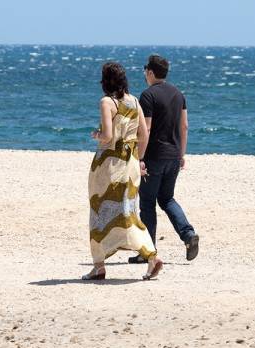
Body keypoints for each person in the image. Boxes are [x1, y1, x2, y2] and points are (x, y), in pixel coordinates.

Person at [84, 62, 163, 280]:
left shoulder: (107, 102)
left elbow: (108, 136)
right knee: (129, 212)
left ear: (105, 80)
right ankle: (150, 256)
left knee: (99, 211)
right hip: (130, 164)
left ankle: (99, 265)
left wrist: (96, 135)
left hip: (108, 165)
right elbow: (144, 135)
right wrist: (139, 159)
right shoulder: (135, 101)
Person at [129, 54, 199, 264]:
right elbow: (184, 126)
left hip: (154, 157)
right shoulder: (178, 94)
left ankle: (147, 251)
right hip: (173, 156)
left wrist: (139, 157)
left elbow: (146, 129)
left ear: (150, 72)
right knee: (167, 198)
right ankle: (188, 234)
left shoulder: (148, 95)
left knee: (148, 203)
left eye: (145, 71)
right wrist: (182, 154)